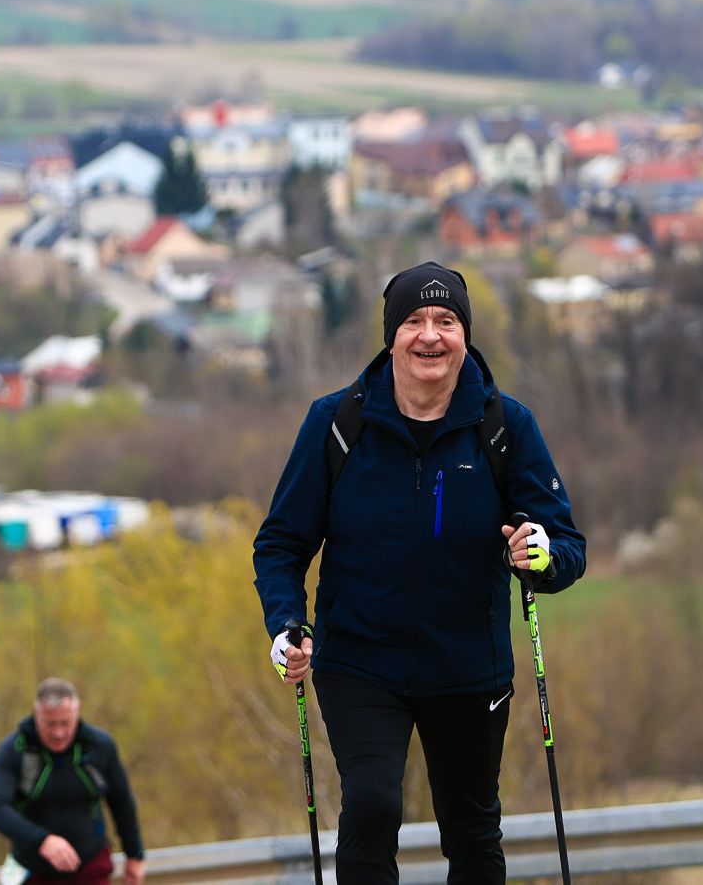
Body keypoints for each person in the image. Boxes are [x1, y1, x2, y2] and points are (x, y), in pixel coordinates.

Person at [252, 261, 587, 884]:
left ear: (465, 335)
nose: (430, 335)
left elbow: (566, 546)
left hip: (468, 666)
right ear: (391, 337)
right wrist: (285, 624)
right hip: (359, 660)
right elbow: (280, 543)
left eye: (446, 320)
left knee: (471, 830)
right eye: (413, 320)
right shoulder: (336, 425)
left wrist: (542, 555)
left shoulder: (505, 427)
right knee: (372, 806)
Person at [0, 678, 147, 885]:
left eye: (66, 723)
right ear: (36, 715)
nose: (58, 733)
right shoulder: (15, 750)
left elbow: (121, 801)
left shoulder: (98, 746)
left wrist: (134, 854)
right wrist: (42, 840)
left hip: (90, 867)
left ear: (78, 713)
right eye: (50, 724)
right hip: (34, 871)